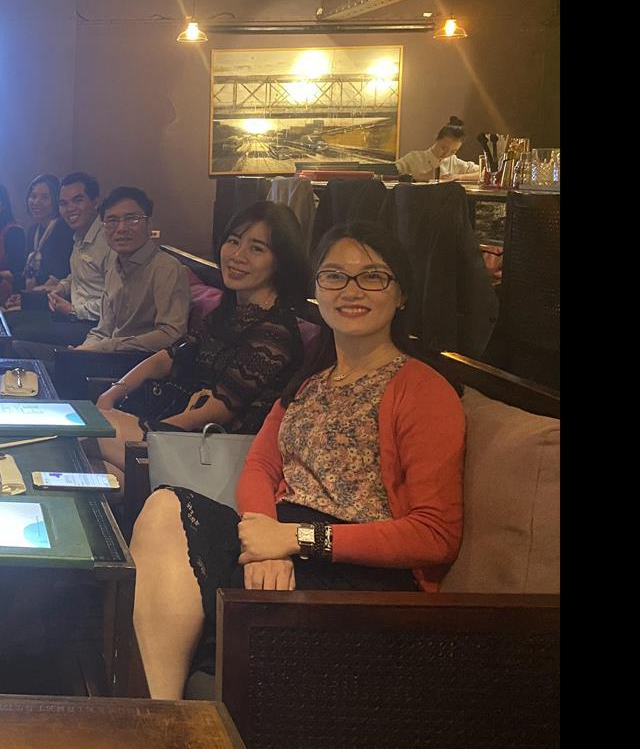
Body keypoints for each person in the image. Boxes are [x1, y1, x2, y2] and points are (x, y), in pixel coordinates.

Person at [127, 221, 465, 700]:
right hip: (279, 541)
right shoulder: (311, 381)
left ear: (402, 293)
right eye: (334, 276)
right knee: (164, 507)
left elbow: (435, 535)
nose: (351, 290)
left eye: (373, 276)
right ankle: (161, 716)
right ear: (317, 290)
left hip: (361, 572)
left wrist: (297, 539)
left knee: (187, 570)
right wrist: (265, 538)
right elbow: (260, 468)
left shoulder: (423, 389)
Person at [93, 202, 308, 480]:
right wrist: (113, 392)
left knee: (89, 432)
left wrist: (154, 433)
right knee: (99, 473)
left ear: (280, 261)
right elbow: (168, 357)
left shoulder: (274, 332)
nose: (238, 256)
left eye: (256, 248)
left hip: (218, 455)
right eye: (234, 241)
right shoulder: (228, 312)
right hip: (183, 433)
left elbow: (217, 411)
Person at [5, 172, 113, 346]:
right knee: (5, 321)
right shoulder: (78, 236)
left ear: (95, 202)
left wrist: (73, 310)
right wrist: (60, 289)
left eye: (78, 200)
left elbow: (114, 303)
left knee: (16, 333)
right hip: (71, 314)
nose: (70, 208)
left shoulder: (108, 240)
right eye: (64, 203)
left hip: (94, 325)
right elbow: (75, 277)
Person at [77, 187, 190, 352]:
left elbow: (172, 334)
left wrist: (110, 347)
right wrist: (82, 351)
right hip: (108, 355)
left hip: (140, 360)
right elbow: (102, 330)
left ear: (149, 224)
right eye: (112, 221)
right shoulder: (114, 266)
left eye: (132, 219)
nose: (121, 228)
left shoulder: (167, 268)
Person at [19, 173, 73, 291]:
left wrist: (30, 296)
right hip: (36, 292)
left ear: (56, 200)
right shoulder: (33, 230)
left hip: (57, 294)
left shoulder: (64, 229)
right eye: (33, 196)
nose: (36, 202)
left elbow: (60, 274)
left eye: (44, 197)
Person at [395, 116, 482, 182]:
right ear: (436, 138)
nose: (446, 154)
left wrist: (459, 177)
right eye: (443, 148)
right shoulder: (415, 158)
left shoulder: (453, 161)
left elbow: (485, 173)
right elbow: (389, 173)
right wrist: (421, 176)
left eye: (453, 151)